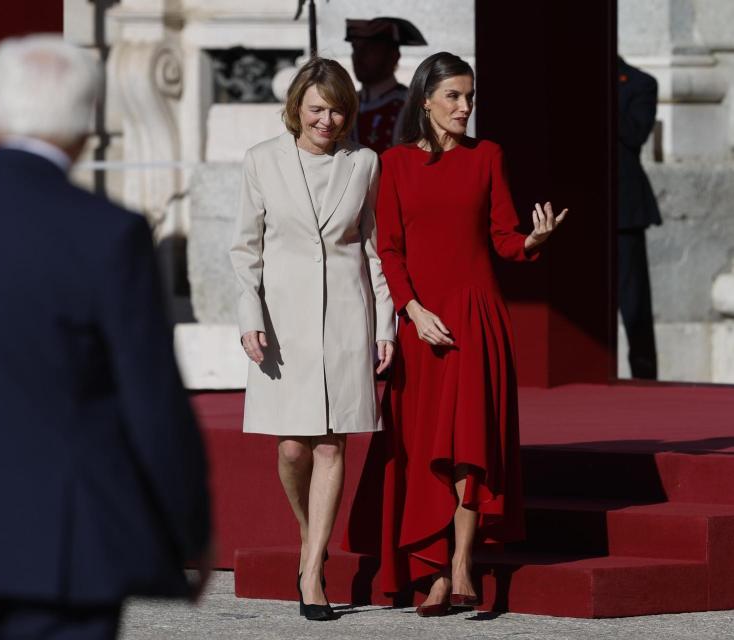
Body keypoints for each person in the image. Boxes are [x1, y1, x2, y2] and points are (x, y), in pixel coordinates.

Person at [0, 34, 211, 640]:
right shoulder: (109, 233)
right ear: (86, 122)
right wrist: (188, 532)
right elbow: (151, 399)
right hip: (74, 537)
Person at [348, 52, 566, 616]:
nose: (465, 107)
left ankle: (464, 563)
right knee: (424, 451)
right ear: (425, 99)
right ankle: (433, 570)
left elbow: (503, 236)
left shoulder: (487, 156)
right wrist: (412, 312)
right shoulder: (391, 163)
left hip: (476, 319)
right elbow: (389, 250)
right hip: (423, 325)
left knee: (472, 448)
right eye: (454, 96)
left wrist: (533, 243)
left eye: (469, 97)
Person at [230, 57, 395, 621]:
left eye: (337, 110)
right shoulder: (261, 162)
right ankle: (310, 537)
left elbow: (374, 247)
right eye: (317, 108)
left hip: (350, 319)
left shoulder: (364, 163)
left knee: (331, 444)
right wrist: (249, 314)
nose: (327, 120)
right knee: (294, 447)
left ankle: (311, 569)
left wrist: (387, 324)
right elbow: (244, 248)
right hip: (283, 323)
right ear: (297, 106)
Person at [618, 56, 661, 380]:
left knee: (634, 307)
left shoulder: (639, 83)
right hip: (577, 210)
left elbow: (635, 135)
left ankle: (644, 378)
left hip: (624, 211)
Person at [346, 17, 427, 155]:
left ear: (394, 56)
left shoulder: (411, 105)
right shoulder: (346, 104)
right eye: (355, 48)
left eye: (369, 49)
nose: (358, 56)